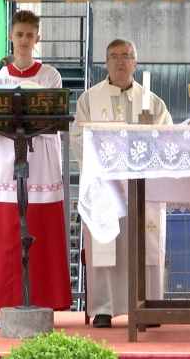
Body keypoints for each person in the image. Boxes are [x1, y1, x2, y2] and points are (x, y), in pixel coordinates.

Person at [0, 10, 72, 324]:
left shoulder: (50, 75)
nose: (24, 41)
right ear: (11, 36)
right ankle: (7, 307)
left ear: (37, 38)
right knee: (8, 235)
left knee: (39, 232)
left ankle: (42, 304)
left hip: (41, 162)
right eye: (19, 34)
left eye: (30, 35)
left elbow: (56, 119)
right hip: (7, 160)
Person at [71, 38, 172, 328]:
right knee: (106, 241)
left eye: (126, 56)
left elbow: (166, 139)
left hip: (142, 185)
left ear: (135, 63)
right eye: (114, 56)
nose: (120, 61)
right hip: (105, 184)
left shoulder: (152, 101)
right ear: (106, 62)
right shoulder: (89, 99)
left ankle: (148, 305)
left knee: (145, 242)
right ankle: (104, 308)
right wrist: (103, 166)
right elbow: (79, 138)